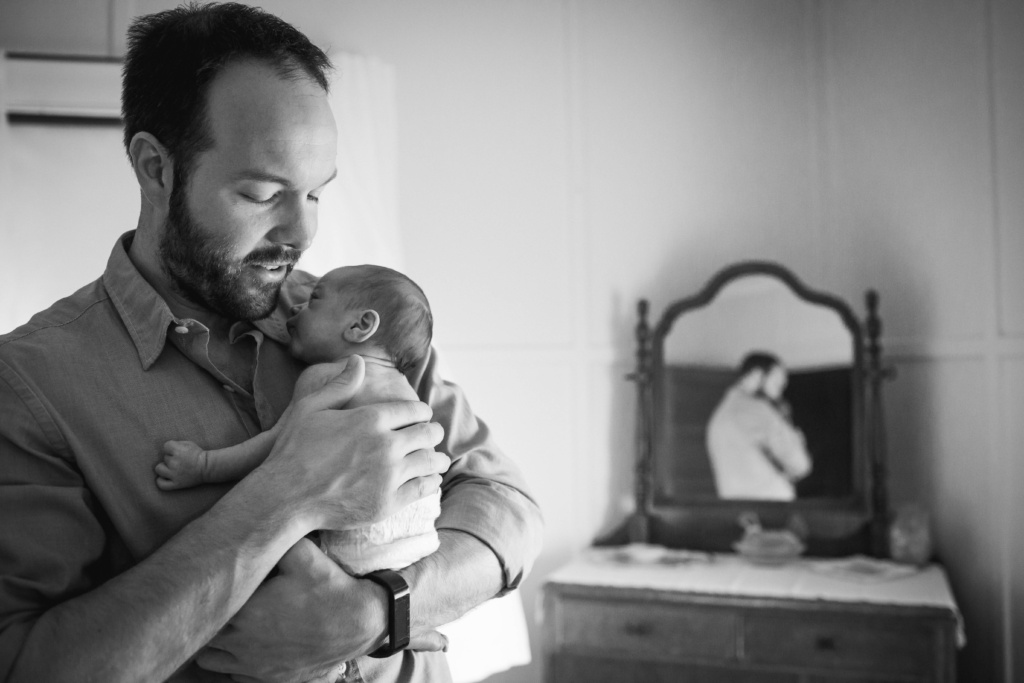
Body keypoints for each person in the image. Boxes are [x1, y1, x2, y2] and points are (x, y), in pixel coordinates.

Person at [0, 4, 542, 683]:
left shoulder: (357, 319)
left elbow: (508, 509)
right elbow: (26, 663)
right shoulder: (30, 384)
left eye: (316, 194)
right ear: (155, 168)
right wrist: (285, 492)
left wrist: (373, 614)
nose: (301, 233)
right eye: (263, 193)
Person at [156, 264, 443, 577]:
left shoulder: (328, 377)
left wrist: (204, 465)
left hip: (357, 536)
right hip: (420, 533)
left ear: (360, 325)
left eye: (314, 300)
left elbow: (278, 446)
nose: (295, 306)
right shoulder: (407, 392)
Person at [705, 351, 812, 501]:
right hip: (772, 508)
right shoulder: (758, 409)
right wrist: (794, 439)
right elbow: (800, 465)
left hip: (733, 507)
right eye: (776, 384)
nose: (777, 395)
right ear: (756, 375)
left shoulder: (719, 415)